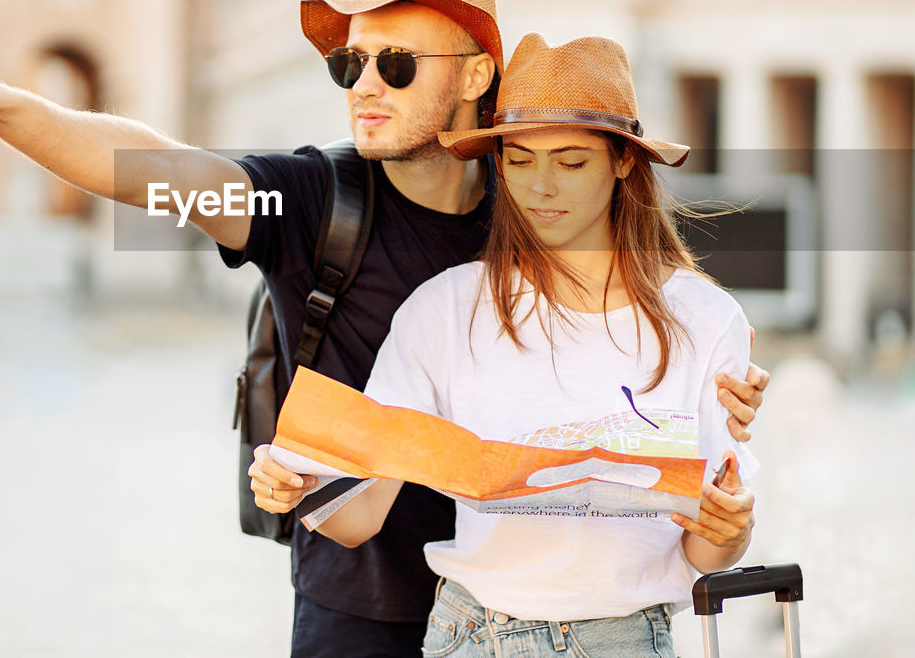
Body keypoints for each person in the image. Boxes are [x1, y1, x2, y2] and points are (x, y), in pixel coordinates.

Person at [0, 0, 769, 658]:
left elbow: (647, 313)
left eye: (397, 63)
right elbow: (155, 172)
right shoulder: (309, 201)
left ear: (475, 74)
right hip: (358, 600)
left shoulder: (533, 195)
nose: (365, 84)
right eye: (351, 64)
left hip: (536, 594)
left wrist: (724, 383)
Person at [253, 33, 757, 658]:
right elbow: (359, 517)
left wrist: (730, 533)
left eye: (571, 162)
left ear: (624, 161)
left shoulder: (708, 320)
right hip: (469, 634)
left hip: (623, 638)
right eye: (518, 160)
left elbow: (706, 548)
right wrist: (296, 480)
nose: (540, 187)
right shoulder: (446, 308)